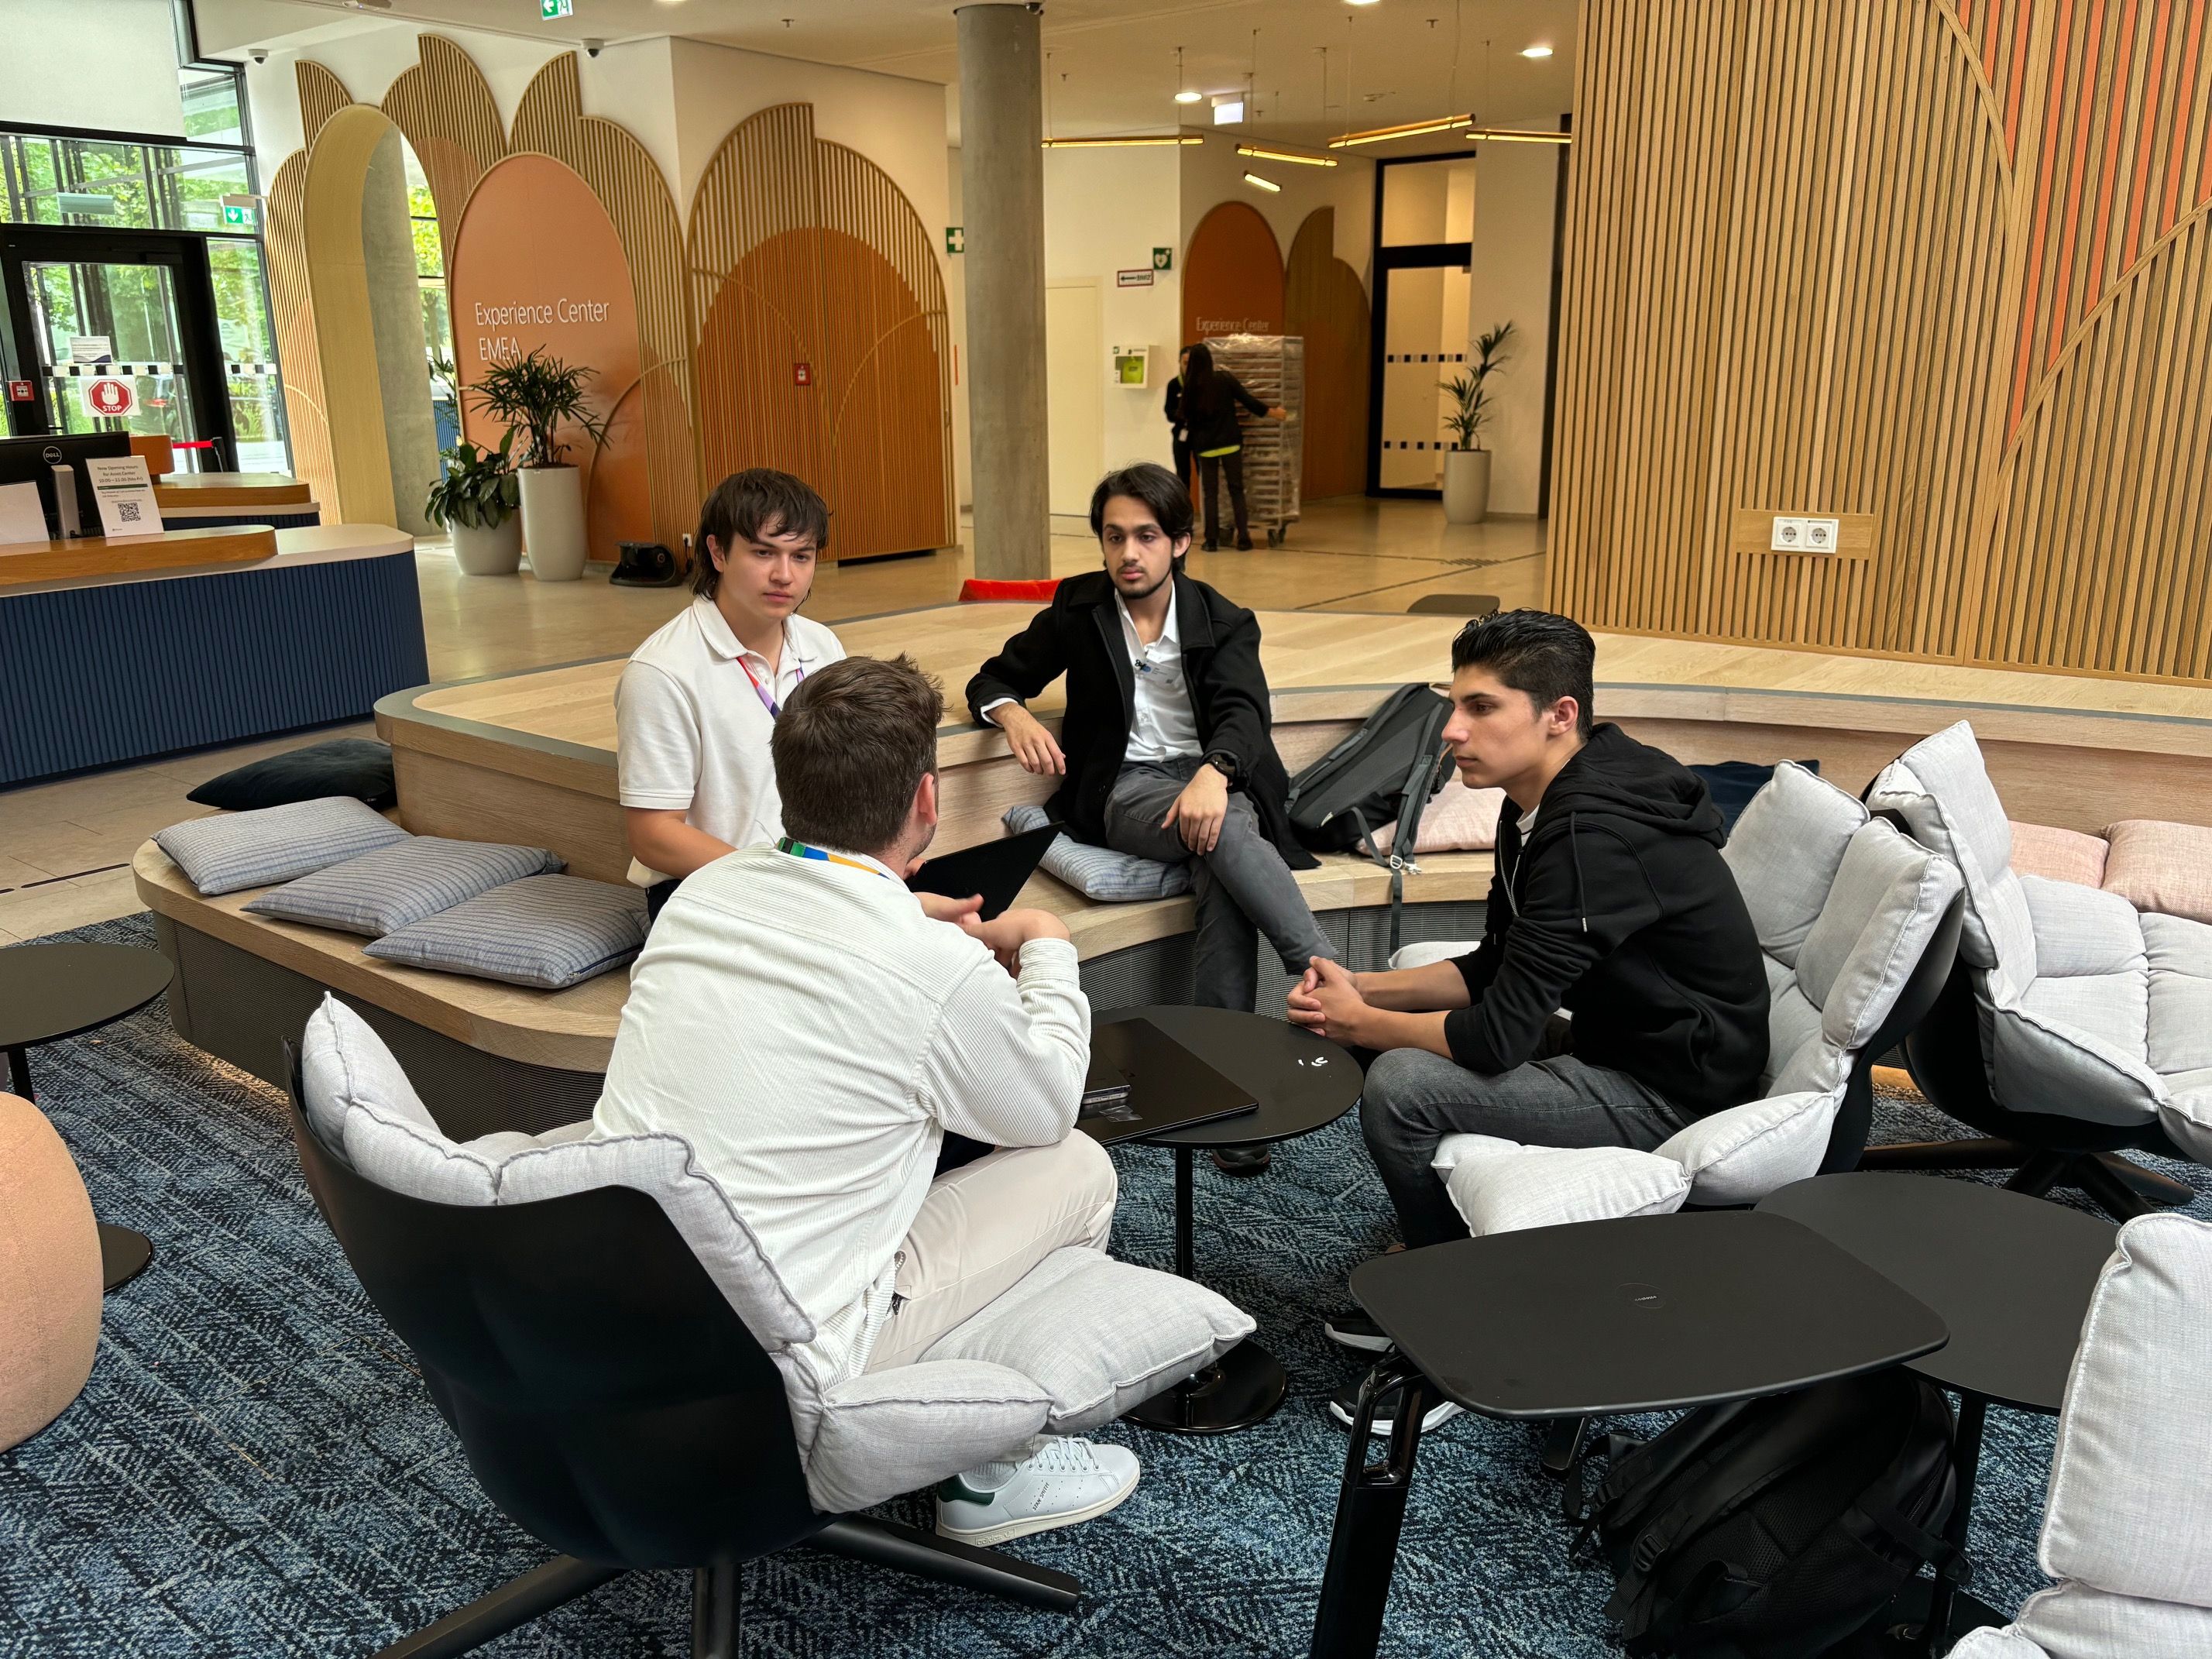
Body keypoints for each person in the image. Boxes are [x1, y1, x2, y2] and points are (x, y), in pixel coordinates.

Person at [592, 654, 1138, 1547]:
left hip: (615, 1325)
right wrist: (1046, 943)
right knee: (1074, 1166)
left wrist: (897, 915)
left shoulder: (699, 897)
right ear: (926, 800)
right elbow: (1046, 1106)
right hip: (776, 1376)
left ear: (788, 788)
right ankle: (989, 1475)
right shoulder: (933, 969)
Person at [1291, 610, 1769, 1404]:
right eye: (1454, 705)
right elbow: (1494, 966)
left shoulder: (1591, 835)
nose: (1452, 729)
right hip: (1619, 1036)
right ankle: (1452, 1262)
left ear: (1559, 715)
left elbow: (1496, 1038)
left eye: (1481, 708)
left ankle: (1451, 1306)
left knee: (1402, 1084)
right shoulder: (1537, 802)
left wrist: (1360, 1024)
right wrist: (1360, 988)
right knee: (1387, 1033)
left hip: (1673, 1086)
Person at [967, 461, 1335, 1175]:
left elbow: (1244, 716)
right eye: (1114, 537)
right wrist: (1013, 715)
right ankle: (1324, 974)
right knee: (1227, 834)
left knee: (1221, 867)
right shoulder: (1078, 608)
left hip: (1213, 781)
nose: (1128, 553)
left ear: (1180, 542)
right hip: (1123, 789)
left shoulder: (1224, 620)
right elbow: (994, 677)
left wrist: (1213, 774)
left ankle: (1224, 1089)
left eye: (1146, 536)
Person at [615, 468, 844, 920]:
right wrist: (778, 884)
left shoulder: (823, 646)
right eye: (764, 553)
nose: (784, 575)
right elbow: (653, 835)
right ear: (717, 552)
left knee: (947, 931)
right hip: (707, 891)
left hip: (813, 878)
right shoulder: (662, 671)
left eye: (801, 556)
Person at [1176, 342, 1286, 551]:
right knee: (1236, 490)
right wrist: (1272, 412)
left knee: (1210, 493)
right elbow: (1248, 400)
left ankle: (1211, 541)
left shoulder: (1190, 388)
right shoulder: (1224, 379)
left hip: (1206, 447)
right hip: (1230, 443)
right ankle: (1244, 538)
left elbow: (1183, 416)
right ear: (1210, 360)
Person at [1163, 346, 1194, 500]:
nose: (1188, 367)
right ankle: (1182, 507)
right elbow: (1169, 412)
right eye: (1185, 363)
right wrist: (1182, 415)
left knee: (1205, 473)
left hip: (1201, 434)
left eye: (1191, 363)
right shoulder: (1174, 385)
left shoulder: (1203, 385)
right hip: (1181, 433)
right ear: (1180, 363)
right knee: (1182, 473)